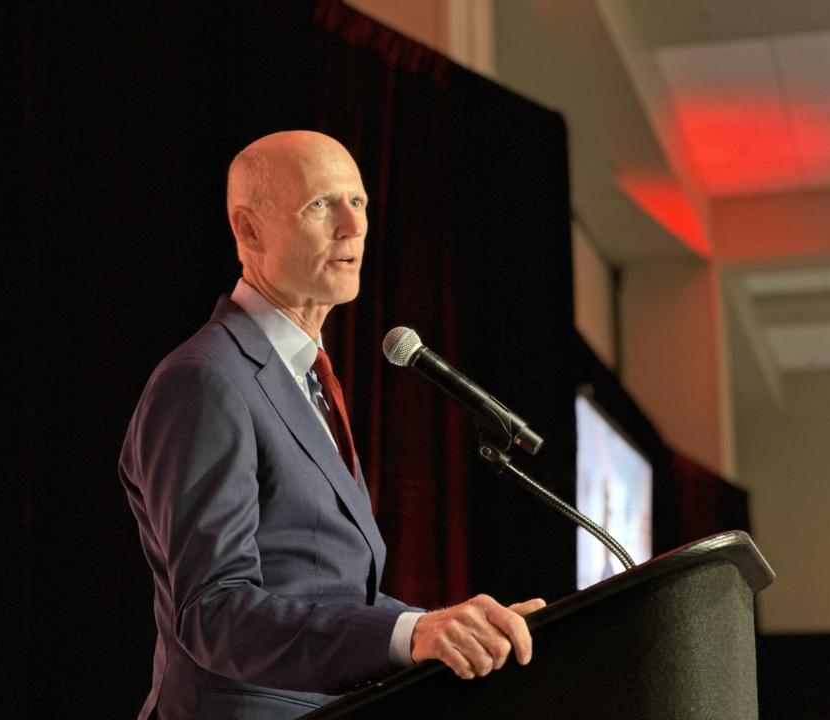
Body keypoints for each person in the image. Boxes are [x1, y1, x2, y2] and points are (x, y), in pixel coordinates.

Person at [119, 130, 545, 720]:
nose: (353, 225)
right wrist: (409, 634)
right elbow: (214, 612)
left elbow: (327, 593)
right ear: (248, 230)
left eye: (360, 201)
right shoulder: (205, 379)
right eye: (320, 204)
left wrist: (458, 631)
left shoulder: (306, 378)